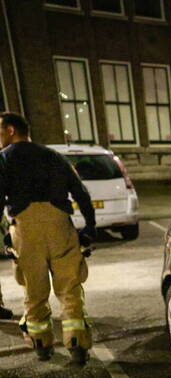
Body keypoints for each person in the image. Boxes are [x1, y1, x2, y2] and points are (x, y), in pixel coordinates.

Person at [0, 111, 96, 363]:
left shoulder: (3, 159)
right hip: (59, 226)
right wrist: (89, 229)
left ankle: (41, 344)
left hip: (25, 229)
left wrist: (6, 238)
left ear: (10, 130)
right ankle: (77, 346)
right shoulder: (53, 156)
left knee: (34, 290)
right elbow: (81, 193)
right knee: (70, 288)